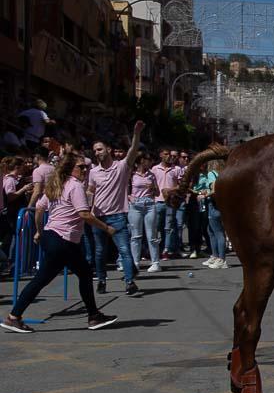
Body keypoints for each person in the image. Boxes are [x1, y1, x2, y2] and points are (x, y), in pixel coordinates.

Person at [2, 154, 118, 333]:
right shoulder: (75, 185)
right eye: (81, 167)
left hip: (54, 237)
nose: (85, 170)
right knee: (53, 277)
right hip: (63, 240)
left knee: (76, 274)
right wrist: (106, 228)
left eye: (86, 167)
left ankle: (94, 315)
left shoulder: (57, 185)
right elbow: (84, 214)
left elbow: (39, 208)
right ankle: (14, 317)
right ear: (70, 169)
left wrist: (40, 231)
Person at [87, 122, 145, 296]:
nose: (97, 153)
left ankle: (129, 282)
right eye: (95, 151)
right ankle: (102, 280)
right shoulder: (93, 172)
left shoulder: (121, 167)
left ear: (109, 149)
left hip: (117, 216)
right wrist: (86, 207)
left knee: (125, 250)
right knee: (100, 252)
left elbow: (133, 150)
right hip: (98, 217)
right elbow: (91, 191)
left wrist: (136, 134)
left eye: (100, 149)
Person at [127, 153, 161, 272]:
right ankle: (135, 262)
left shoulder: (151, 174)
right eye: (148, 159)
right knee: (135, 236)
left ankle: (155, 262)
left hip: (149, 204)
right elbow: (125, 190)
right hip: (136, 205)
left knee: (152, 235)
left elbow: (157, 193)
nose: (150, 162)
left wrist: (153, 188)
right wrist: (129, 197)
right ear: (141, 160)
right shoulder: (131, 174)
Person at [195, 158, 229, 269]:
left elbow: (214, 189)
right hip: (221, 205)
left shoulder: (211, 174)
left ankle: (221, 259)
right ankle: (215, 256)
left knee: (218, 232)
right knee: (211, 231)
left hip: (214, 206)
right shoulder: (223, 173)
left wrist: (204, 195)